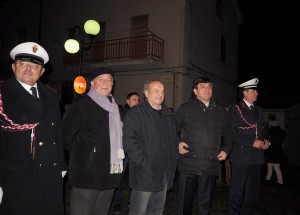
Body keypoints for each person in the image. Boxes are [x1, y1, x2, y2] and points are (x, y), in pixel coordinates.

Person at [0, 42, 67, 215]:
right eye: (23, 64)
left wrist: (61, 165)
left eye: (35, 65)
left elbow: (57, 132)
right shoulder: (2, 93)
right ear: (14, 67)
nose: (28, 69)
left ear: (42, 71)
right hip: (17, 179)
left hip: (50, 175)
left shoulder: (51, 95)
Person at [62, 67, 124, 215]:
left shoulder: (114, 108)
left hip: (109, 175)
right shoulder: (80, 106)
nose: (105, 83)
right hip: (86, 176)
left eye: (109, 80)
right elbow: (65, 138)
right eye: (101, 80)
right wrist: (85, 157)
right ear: (92, 83)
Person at [174, 77, 234, 215]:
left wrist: (226, 149)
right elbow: (171, 130)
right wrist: (177, 143)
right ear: (195, 91)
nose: (207, 90)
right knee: (185, 206)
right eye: (202, 86)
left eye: (209, 87)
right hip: (189, 165)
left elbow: (229, 132)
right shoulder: (185, 109)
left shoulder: (220, 111)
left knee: (205, 206)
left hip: (210, 166)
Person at [123, 80, 177, 215]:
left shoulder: (167, 114)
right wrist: (143, 162)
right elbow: (129, 140)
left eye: (162, 91)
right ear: (146, 93)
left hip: (163, 173)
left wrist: (176, 149)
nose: (160, 94)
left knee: (157, 210)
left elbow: (172, 139)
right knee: (138, 211)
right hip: (144, 174)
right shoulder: (136, 113)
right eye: (156, 90)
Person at [228, 78, 270, 214]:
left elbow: (263, 129)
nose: (257, 93)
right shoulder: (235, 108)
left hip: (257, 156)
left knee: (253, 190)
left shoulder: (258, 109)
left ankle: (251, 212)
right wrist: (252, 142)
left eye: (256, 91)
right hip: (241, 156)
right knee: (237, 190)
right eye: (254, 91)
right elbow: (233, 133)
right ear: (245, 93)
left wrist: (266, 141)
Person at [113, 92, 140, 213]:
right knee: (119, 177)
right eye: (134, 99)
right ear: (127, 101)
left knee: (134, 178)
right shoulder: (121, 114)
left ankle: (131, 201)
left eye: (138, 100)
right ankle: (117, 204)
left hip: (134, 151)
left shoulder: (140, 115)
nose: (137, 102)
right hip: (122, 151)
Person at [265, 116, 286, 187]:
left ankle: (279, 181)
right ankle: (275, 180)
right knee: (273, 167)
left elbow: (271, 142)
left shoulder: (272, 133)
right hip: (277, 152)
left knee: (272, 167)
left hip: (272, 153)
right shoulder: (281, 132)